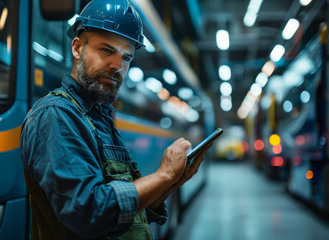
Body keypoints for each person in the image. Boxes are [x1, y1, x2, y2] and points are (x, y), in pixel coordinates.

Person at [20, 0, 211, 239]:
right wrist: (163, 175)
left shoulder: (101, 117)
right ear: (78, 48)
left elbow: (133, 214)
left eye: (127, 58)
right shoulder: (56, 115)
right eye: (107, 50)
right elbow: (89, 212)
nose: (118, 66)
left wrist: (170, 182)